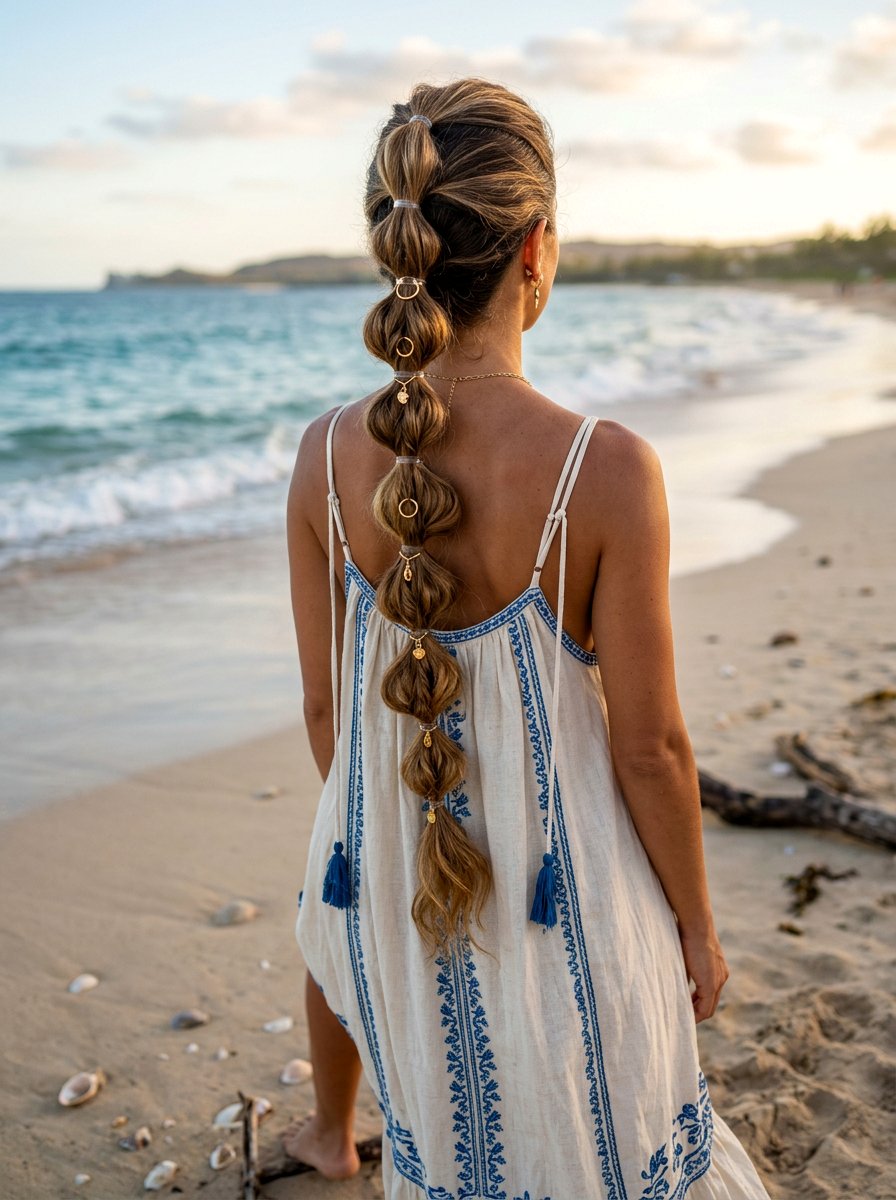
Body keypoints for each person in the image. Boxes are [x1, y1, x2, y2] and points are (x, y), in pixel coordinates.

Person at [286, 77, 771, 1200]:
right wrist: (693, 928)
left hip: (390, 891)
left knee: (451, 1149)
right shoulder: (601, 468)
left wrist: (410, 830)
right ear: (535, 248)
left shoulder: (319, 459)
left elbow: (327, 715)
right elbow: (649, 749)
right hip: (568, 895)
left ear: (392, 247)